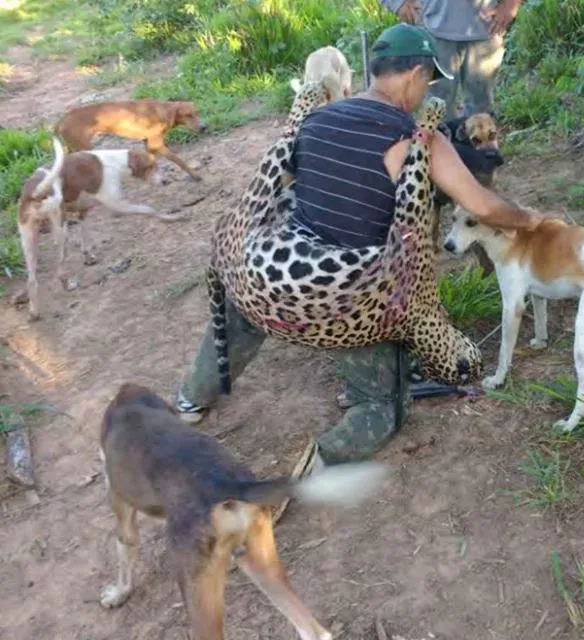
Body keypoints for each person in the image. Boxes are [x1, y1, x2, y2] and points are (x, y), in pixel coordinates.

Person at [174, 24, 546, 467]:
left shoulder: (315, 120)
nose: (427, 91)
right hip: (347, 299)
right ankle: (318, 460)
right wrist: (530, 219)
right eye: (429, 81)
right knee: (382, 405)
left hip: (268, 276)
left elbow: (285, 186)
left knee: (243, 311)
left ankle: (191, 400)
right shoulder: (418, 137)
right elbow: (482, 205)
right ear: (414, 75)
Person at [380, 0, 522, 117]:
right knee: (436, 107)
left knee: (481, 106)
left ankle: (477, 150)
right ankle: (440, 148)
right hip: (433, 28)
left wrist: (511, 4)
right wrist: (397, 3)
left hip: (486, 29)